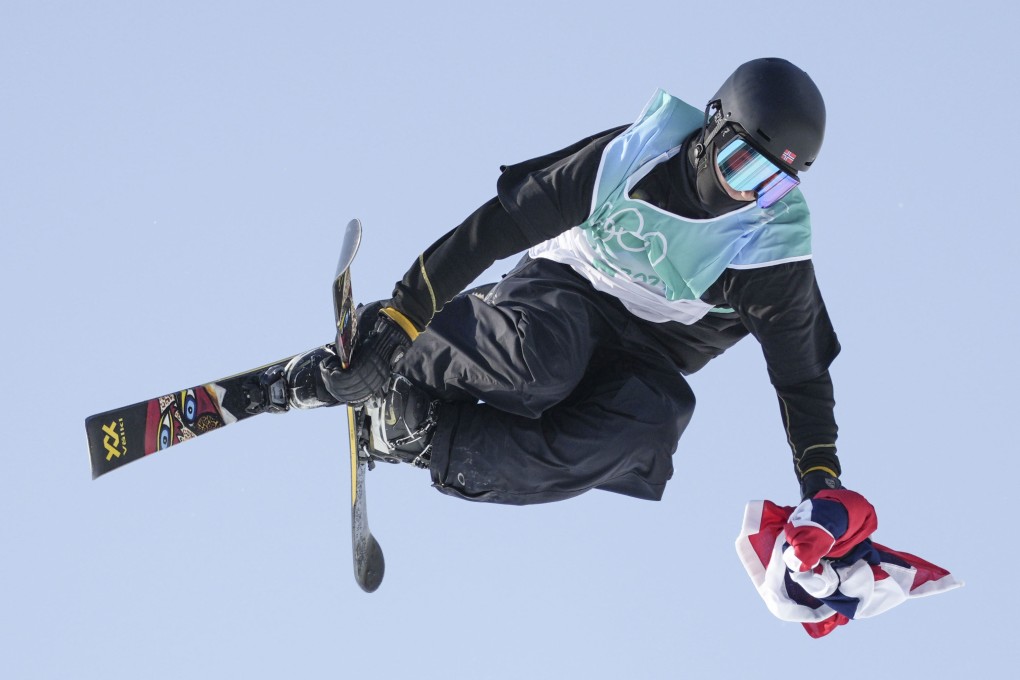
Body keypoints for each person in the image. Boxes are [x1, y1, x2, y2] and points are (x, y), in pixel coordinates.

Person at [292, 57, 844, 505]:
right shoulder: (630, 159)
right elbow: (497, 228)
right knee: (540, 363)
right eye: (743, 164)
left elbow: (802, 375)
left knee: (648, 433)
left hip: (650, 352)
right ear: (713, 127)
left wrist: (821, 481)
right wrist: (401, 319)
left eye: (772, 184)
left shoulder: (771, 246)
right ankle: (404, 356)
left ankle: (417, 435)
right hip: (567, 289)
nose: (748, 193)